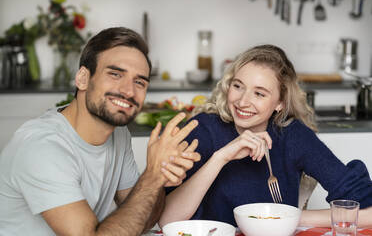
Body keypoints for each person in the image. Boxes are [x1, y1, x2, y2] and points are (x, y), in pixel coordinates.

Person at [0, 27, 201, 235]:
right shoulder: (42, 146)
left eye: (139, 82)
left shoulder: (118, 134)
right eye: (115, 74)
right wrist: (151, 176)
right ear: (83, 79)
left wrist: (160, 176)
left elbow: (144, 219)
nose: (128, 91)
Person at [159, 44, 372, 228]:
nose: (242, 102)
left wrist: (291, 218)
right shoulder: (203, 129)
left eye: (259, 93)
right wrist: (220, 158)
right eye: (238, 86)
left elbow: (366, 211)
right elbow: (168, 219)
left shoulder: (292, 135)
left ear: (280, 102)